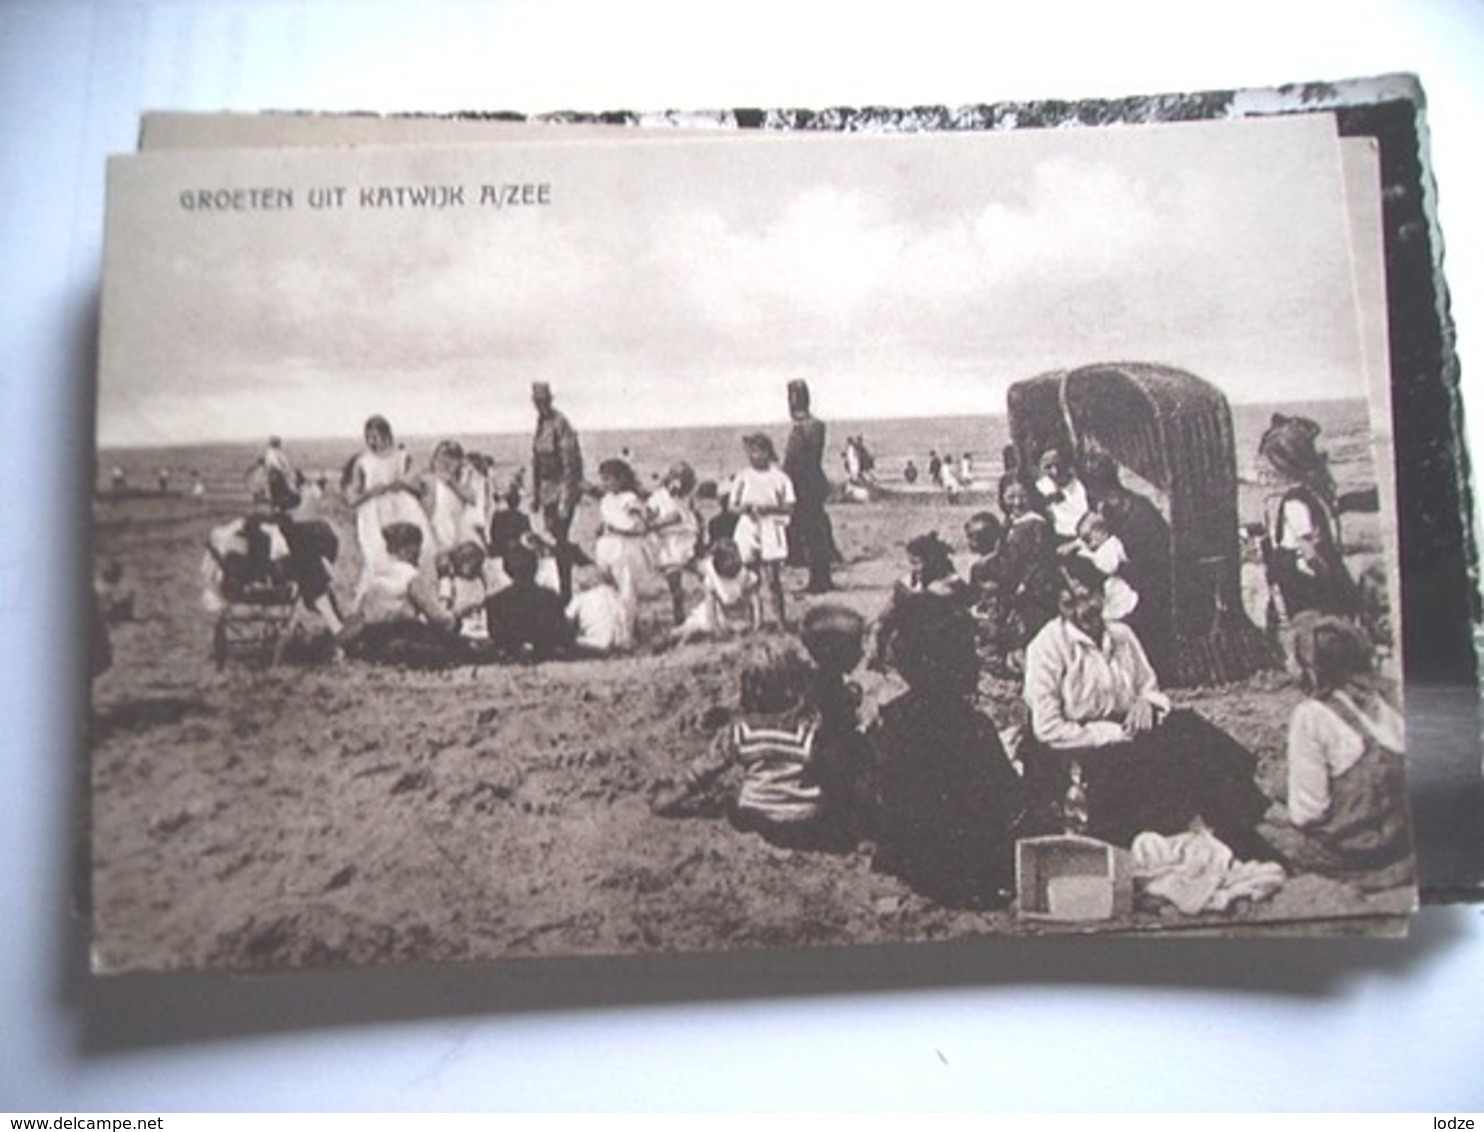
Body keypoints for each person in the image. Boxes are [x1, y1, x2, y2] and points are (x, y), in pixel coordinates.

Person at [1020, 559, 1273, 858]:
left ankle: (1245, 819)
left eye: (1087, 596)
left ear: (1102, 594)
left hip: (1129, 730)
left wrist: (1147, 703)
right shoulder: (1048, 647)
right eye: (1068, 604)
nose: (1082, 610)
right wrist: (1110, 732)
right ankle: (1233, 828)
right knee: (1168, 759)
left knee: (1190, 728)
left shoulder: (1121, 636)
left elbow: (1149, 686)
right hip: (1078, 746)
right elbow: (1047, 728)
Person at [869, 587, 1022, 908]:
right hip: (966, 871)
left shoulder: (891, 722)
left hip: (909, 863)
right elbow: (1008, 799)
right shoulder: (974, 729)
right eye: (970, 654)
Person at [652, 638, 850, 850]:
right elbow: (831, 770)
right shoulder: (805, 731)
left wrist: (670, 798)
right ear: (793, 688)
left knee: (734, 800)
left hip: (757, 818)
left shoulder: (741, 731)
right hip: (805, 821)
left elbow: (705, 769)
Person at [1265, 613, 1412, 889]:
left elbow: (1308, 813)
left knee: (1261, 828)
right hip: (1402, 836)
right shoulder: (1384, 698)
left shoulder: (1310, 716)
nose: (1286, 664)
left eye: (1290, 658)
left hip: (1357, 852)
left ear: (1311, 667)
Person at [1257, 413, 1361, 624]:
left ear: (1284, 466)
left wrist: (1327, 582)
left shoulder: (1293, 503)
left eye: (1269, 466)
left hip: (1306, 597)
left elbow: (1310, 555)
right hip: (1327, 591)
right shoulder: (1315, 494)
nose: (1265, 471)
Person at [343, 521, 462, 666]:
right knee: (453, 646)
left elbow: (357, 612)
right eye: (418, 547)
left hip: (371, 636)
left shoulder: (373, 574)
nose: (420, 553)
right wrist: (454, 618)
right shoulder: (410, 575)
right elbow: (437, 617)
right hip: (403, 630)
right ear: (408, 548)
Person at [345, 415, 430, 582]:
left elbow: (420, 488)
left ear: (386, 435)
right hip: (374, 514)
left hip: (403, 509)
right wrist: (370, 493)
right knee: (380, 556)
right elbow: (352, 499)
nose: (372, 442)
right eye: (368, 437)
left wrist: (403, 485)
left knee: (413, 550)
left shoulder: (402, 456)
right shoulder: (363, 462)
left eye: (375, 437)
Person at [870, 531, 969, 671]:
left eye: (919, 563)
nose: (916, 569)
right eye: (912, 563)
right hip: (911, 650)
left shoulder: (952, 586)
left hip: (945, 652)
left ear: (934, 562)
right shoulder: (906, 586)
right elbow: (885, 620)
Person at [992, 474, 1060, 663]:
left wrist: (1024, 584)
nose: (1017, 502)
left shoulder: (1036, 524)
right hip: (1011, 588)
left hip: (1031, 593)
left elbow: (1039, 560)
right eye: (1010, 497)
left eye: (1022, 496)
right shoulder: (1011, 522)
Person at [729, 433, 794, 629]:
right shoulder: (743, 476)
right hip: (748, 527)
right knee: (750, 577)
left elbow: (789, 506)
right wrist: (745, 509)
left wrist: (768, 509)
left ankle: (781, 620)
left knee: (773, 577)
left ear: (767, 452)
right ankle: (756, 621)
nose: (754, 456)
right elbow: (732, 505)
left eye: (759, 451)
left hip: (771, 527)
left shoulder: (779, 477)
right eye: (751, 452)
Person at [530, 382, 584, 603]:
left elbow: (570, 465)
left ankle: (566, 591)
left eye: (544, 401)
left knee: (560, 542)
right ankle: (559, 588)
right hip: (546, 490)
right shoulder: (541, 423)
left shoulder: (561, 424)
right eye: (537, 401)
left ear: (550, 400)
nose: (540, 405)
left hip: (561, 489)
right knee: (552, 540)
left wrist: (565, 499)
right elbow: (537, 462)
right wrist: (535, 494)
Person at [783, 379, 836, 593]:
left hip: (804, 485)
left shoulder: (806, 428)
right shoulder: (813, 426)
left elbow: (798, 460)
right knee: (815, 531)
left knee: (812, 532)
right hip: (812, 483)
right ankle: (820, 577)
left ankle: (819, 579)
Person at [593, 457, 653, 646]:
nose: (605, 483)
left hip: (624, 548)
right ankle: (615, 629)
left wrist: (617, 529)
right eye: (603, 479)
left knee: (627, 591)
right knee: (611, 591)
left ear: (621, 479)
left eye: (608, 479)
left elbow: (640, 526)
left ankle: (626, 636)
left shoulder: (630, 499)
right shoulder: (606, 500)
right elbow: (607, 521)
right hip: (607, 548)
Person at [485, 542, 573, 660]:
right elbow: (562, 632)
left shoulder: (495, 601)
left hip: (512, 651)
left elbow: (496, 636)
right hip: (546, 651)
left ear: (507, 571)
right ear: (535, 568)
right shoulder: (550, 597)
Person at [672, 538, 761, 643]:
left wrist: (757, 625)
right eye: (728, 561)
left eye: (735, 559)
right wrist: (716, 629)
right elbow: (711, 606)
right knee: (693, 627)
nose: (732, 564)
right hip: (717, 614)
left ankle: (682, 638)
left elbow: (755, 603)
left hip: (737, 616)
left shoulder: (745, 575)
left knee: (736, 629)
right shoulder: (713, 578)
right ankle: (672, 637)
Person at [648, 460, 702, 625]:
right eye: (675, 480)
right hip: (669, 543)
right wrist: (666, 521)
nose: (678, 486)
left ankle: (707, 609)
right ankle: (679, 618)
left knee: (703, 573)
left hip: (687, 541)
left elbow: (695, 517)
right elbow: (649, 520)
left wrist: (699, 534)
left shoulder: (687, 498)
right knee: (675, 585)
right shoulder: (657, 498)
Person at [1068, 510, 1139, 623]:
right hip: (1107, 591)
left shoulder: (1111, 545)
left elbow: (1108, 567)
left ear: (1103, 534)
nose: (1086, 544)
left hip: (1119, 592)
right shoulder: (1098, 546)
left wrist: (1088, 555)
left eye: (1087, 539)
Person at [423, 439, 485, 561]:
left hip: (457, 526)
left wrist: (451, 482)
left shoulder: (463, 479)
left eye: (451, 460)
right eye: (441, 460)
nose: (445, 464)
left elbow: (472, 498)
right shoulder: (430, 478)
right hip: (437, 525)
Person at [567, 566, 631, 654]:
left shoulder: (580, 597)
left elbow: (567, 619)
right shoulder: (612, 593)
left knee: (572, 642)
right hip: (617, 640)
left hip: (596, 641)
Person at [438, 540, 491, 642]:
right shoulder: (451, 583)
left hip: (480, 625)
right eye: (473, 565)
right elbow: (443, 612)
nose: (476, 568)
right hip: (461, 629)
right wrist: (461, 611)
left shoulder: (479, 581)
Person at [1035, 447, 1089, 541]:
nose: (1055, 471)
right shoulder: (1040, 488)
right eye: (1048, 467)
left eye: (1059, 465)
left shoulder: (1079, 487)